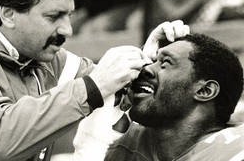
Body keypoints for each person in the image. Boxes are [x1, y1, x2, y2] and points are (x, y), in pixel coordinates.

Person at [0, 0, 190, 160]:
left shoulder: (39, 53)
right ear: (8, 15)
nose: (67, 30)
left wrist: (146, 62)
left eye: (69, 15)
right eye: (53, 16)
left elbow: (110, 86)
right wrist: (92, 87)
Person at [73, 33, 244, 161]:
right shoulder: (120, 142)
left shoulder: (235, 152)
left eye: (165, 63)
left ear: (204, 91)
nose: (145, 68)